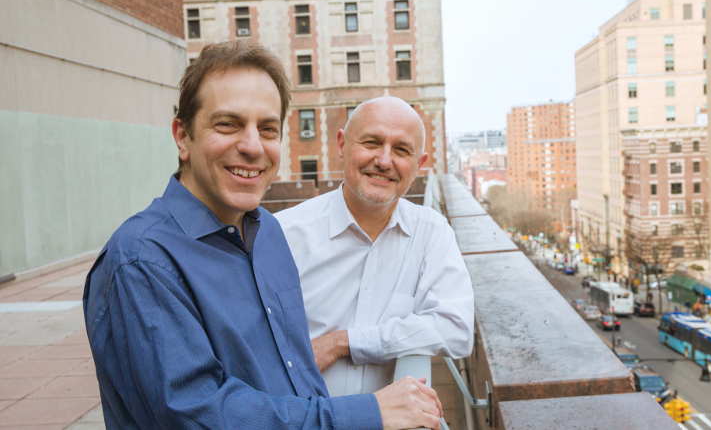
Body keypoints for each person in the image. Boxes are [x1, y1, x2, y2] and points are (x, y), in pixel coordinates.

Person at [82, 42, 442, 430]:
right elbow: (202, 416)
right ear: (182, 137)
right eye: (228, 124)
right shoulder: (142, 261)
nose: (253, 147)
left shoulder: (266, 229)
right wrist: (369, 412)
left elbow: (296, 373)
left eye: (267, 129)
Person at [275, 97, 475, 396]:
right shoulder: (283, 234)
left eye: (401, 150)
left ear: (419, 164)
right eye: (371, 143)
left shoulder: (431, 233)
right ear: (342, 145)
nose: (384, 161)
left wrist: (344, 342)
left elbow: (456, 330)